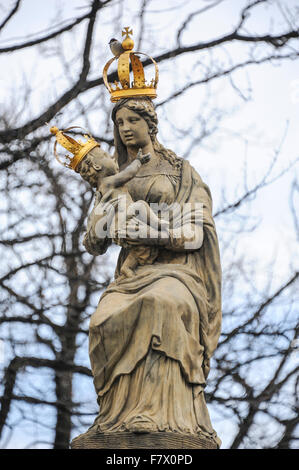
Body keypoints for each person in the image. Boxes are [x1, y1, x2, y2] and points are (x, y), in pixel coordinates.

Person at [80, 97, 222, 446]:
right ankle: (116, 417)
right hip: (130, 276)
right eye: (120, 123)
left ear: (150, 124)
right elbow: (93, 243)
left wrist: (148, 233)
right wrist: (102, 215)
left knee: (161, 303)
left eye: (132, 120)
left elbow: (195, 234)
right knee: (102, 319)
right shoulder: (112, 175)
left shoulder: (180, 171)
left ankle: (167, 417)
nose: (125, 128)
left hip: (176, 274)